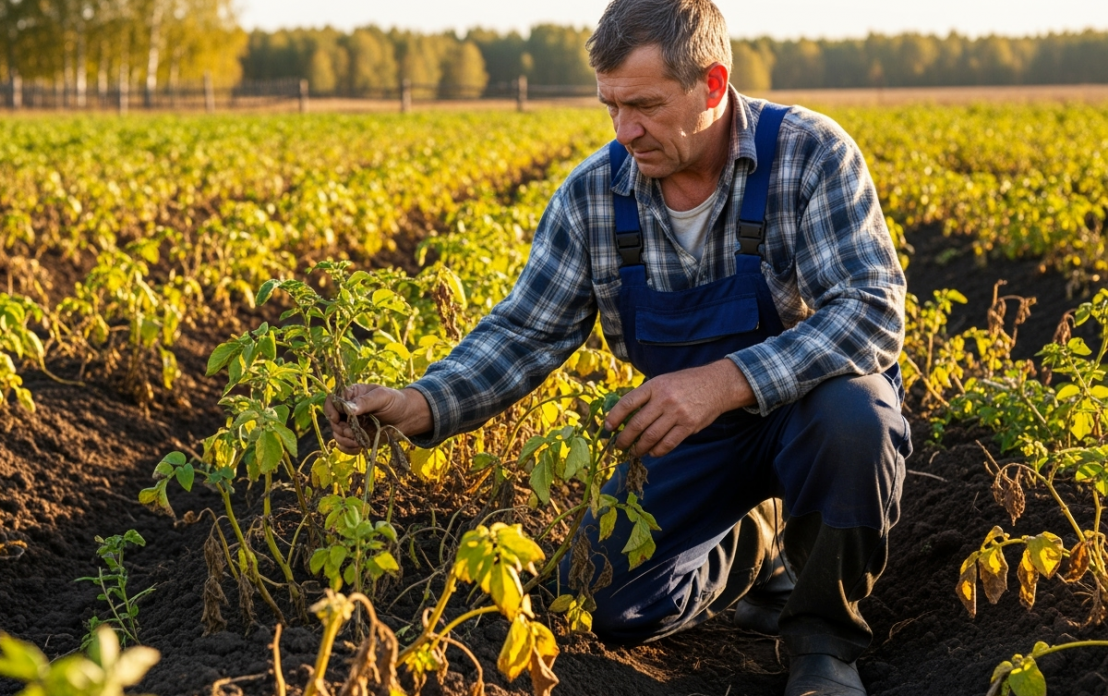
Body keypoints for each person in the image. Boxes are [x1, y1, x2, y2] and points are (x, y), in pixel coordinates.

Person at [325, 1, 911, 694]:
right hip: (686, 431)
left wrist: (721, 382)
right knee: (605, 603)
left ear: (713, 84)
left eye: (646, 106)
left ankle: (824, 643)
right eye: (611, 106)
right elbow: (525, 331)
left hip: (808, 415)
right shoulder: (594, 198)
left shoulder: (809, 155)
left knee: (858, 417)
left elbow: (871, 310)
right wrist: (420, 403)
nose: (625, 130)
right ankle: (750, 547)